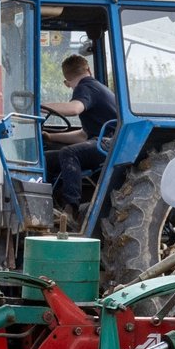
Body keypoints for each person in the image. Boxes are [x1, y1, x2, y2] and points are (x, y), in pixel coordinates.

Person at [42, 54, 119, 227]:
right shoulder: (98, 88)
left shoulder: (86, 86)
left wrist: (39, 106)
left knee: (69, 153)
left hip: (110, 143)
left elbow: (75, 108)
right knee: (44, 158)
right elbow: (83, 135)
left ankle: (71, 210)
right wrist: (51, 136)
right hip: (104, 141)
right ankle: (48, 207)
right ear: (89, 69)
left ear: (66, 83)